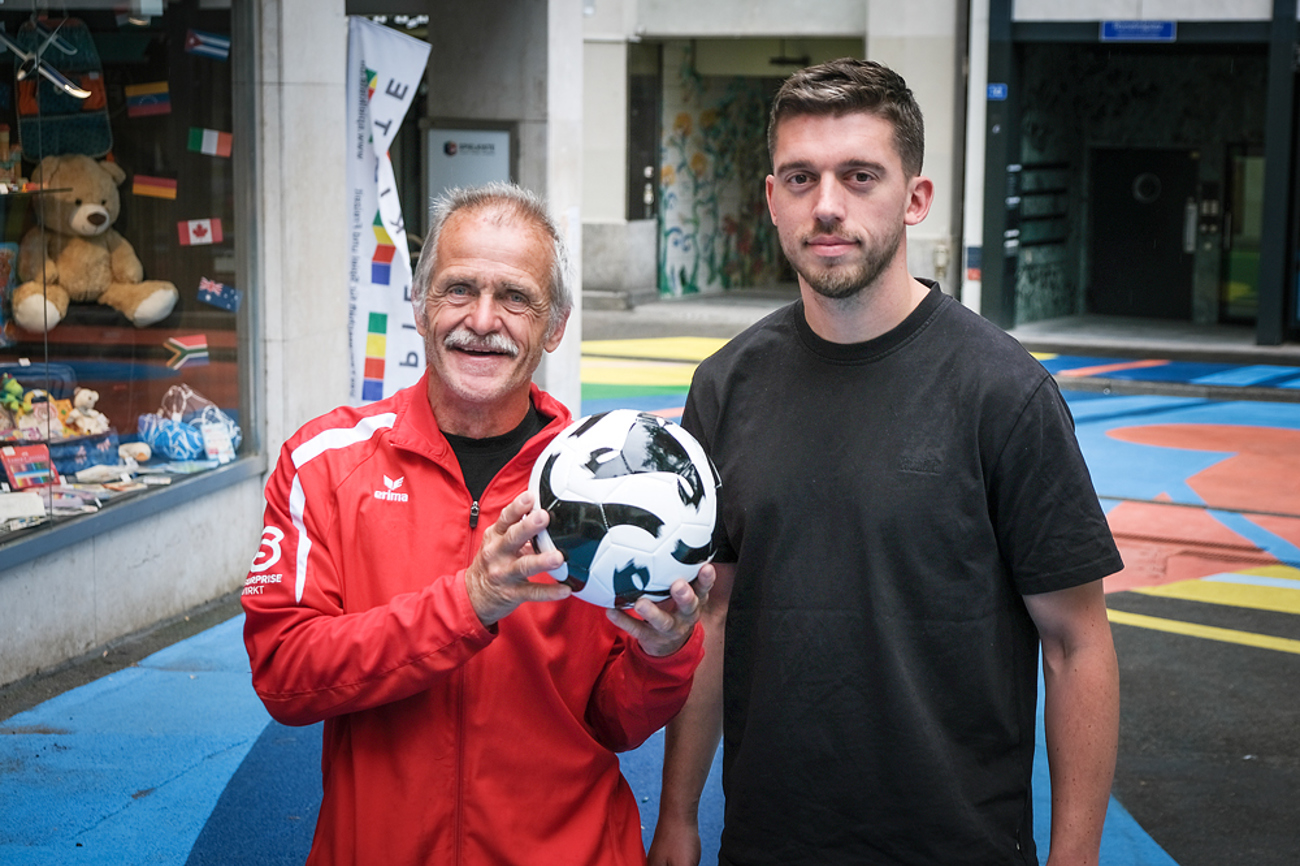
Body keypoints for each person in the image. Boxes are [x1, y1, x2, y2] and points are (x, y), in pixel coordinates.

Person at [649, 59, 1122, 866]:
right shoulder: (725, 387)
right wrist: (679, 818)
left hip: (957, 845)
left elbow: (1076, 644)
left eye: (859, 175)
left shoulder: (1005, 393)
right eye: (801, 178)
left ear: (915, 199)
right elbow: (713, 616)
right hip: (769, 843)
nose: (826, 205)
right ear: (772, 200)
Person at [242, 182, 714, 866]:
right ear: (419, 303)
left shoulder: (616, 486)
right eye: (459, 289)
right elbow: (285, 677)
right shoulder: (325, 463)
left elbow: (615, 721)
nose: (483, 319)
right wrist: (468, 604)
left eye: (516, 297)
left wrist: (665, 654)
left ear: (555, 324)